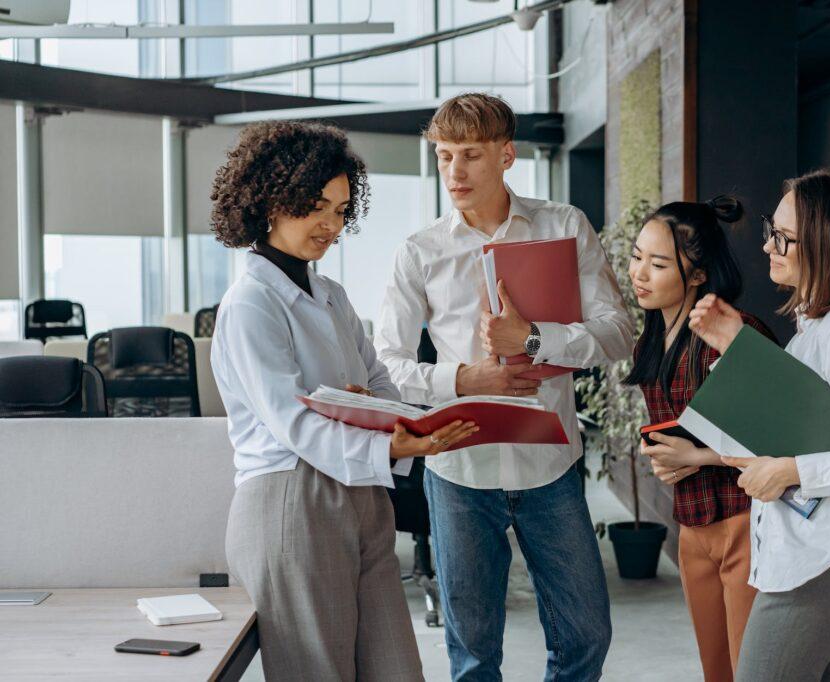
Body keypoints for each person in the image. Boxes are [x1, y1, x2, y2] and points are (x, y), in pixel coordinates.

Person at [375, 93, 633, 681]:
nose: (455, 172)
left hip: (551, 464)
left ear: (507, 154)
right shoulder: (419, 253)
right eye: (444, 157)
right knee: (472, 655)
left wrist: (534, 339)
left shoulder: (563, 225)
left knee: (586, 633)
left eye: (470, 155)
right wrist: (468, 378)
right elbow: (387, 366)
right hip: (459, 470)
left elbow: (618, 334)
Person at [208, 121, 478, 681]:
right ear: (270, 201)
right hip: (291, 501)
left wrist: (405, 426)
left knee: (396, 670)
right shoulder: (251, 303)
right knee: (318, 673)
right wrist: (386, 438)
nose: (331, 225)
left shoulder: (331, 295)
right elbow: (294, 422)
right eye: (316, 207)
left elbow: (379, 382)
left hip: (363, 496)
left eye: (340, 209)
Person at [688, 169, 830, 681]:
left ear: (827, 246)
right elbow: (807, 418)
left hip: (828, 558)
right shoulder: (819, 328)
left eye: (784, 237)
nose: (769, 245)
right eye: (772, 228)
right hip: (815, 550)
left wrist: (791, 470)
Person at [626, 198, 776, 682]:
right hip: (691, 527)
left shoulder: (734, 333)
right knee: (716, 671)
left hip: (746, 523)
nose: (640, 273)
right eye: (636, 257)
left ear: (697, 275)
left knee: (750, 669)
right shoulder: (650, 338)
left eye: (659, 263)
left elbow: (780, 437)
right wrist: (666, 460)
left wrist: (698, 455)